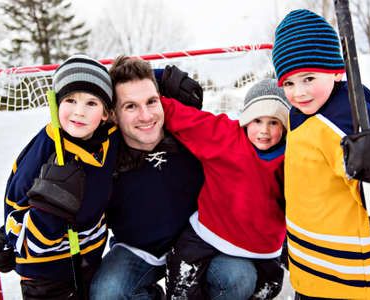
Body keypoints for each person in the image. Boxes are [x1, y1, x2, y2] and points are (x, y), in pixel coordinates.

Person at [272, 9, 370, 299]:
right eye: (289, 83)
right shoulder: (301, 114)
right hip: (312, 276)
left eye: (308, 78)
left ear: (336, 70)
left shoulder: (348, 117)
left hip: (353, 285)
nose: (299, 93)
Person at [89, 57, 260, 300]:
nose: (146, 115)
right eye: (130, 106)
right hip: (138, 249)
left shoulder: (188, 131)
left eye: (151, 101)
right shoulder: (105, 151)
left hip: (200, 241)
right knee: (106, 293)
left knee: (238, 278)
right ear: (113, 115)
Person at [1, 54, 119, 300]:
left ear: (107, 113)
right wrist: (48, 213)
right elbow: (14, 214)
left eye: (91, 103)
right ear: (55, 103)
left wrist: (162, 77)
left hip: (90, 265)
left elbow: (135, 91)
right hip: (46, 277)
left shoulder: (110, 139)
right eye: (70, 99)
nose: (79, 112)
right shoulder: (44, 151)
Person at [161, 78, 291, 299]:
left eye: (274, 122)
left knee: (269, 287)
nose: (264, 131)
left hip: (262, 244)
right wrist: (150, 91)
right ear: (246, 119)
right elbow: (185, 119)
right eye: (257, 120)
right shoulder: (225, 135)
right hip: (210, 230)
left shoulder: (292, 156)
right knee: (181, 276)